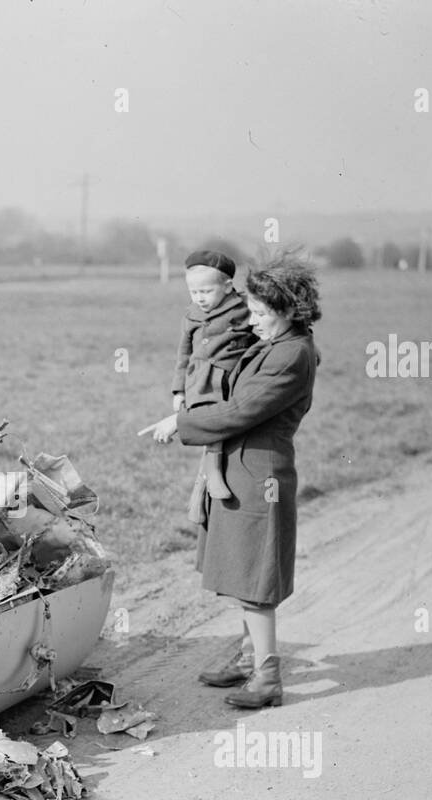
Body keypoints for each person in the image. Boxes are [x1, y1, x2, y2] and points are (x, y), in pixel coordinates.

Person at [151, 254, 321, 708]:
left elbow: (241, 410)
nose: (254, 321)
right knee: (245, 573)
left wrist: (180, 422)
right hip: (242, 465)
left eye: (262, 314)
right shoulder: (276, 343)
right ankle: (249, 660)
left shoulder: (290, 355)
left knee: (256, 582)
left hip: (259, 472)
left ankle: (267, 679)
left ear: (289, 311)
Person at [171, 250, 257, 524]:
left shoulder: (243, 309)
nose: (199, 298)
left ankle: (208, 481)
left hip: (229, 381)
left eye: (206, 291)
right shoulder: (191, 315)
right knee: (210, 426)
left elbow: (264, 334)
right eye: (193, 292)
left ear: (228, 286)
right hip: (200, 381)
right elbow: (183, 355)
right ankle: (211, 475)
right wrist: (179, 390)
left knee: (222, 423)